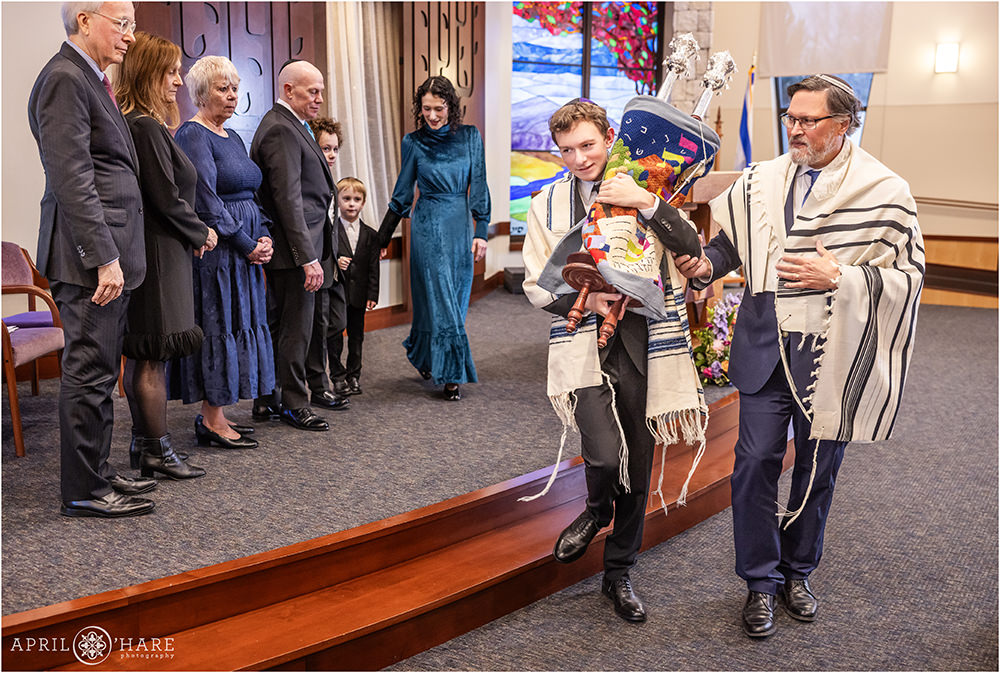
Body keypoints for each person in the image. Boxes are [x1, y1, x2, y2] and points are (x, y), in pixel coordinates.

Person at [673, 74, 924, 638]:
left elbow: (908, 276)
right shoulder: (762, 178)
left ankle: (797, 572)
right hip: (765, 343)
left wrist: (841, 275)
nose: (796, 128)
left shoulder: (884, 190)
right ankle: (759, 583)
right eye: (791, 116)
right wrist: (705, 267)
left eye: (809, 120)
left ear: (845, 124)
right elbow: (730, 243)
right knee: (755, 463)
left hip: (833, 351)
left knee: (819, 471)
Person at [522, 98, 705, 622]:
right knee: (604, 454)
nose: (579, 159)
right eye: (566, 151)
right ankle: (596, 510)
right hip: (583, 336)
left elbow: (690, 249)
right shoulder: (548, 204)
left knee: (638, 463)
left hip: (645, 338)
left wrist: (646, 202)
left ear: (608, 138)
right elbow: (537, 283)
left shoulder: (646, 183)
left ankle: (619, 573)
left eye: (587, 145)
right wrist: (590, 299)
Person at [28, 1, 155, 518]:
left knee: (102, 370)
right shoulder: (65, 77)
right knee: (86, 371)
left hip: (107, 253)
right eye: (121, 23)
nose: (129, 36)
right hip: (88, 258)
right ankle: (83, 489)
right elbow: (73, 178)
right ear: (86, 20)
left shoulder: (90, 78)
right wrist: (103, 257)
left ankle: (99, 473)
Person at [116, 32, 215, 479]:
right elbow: (165, 196)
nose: (178, 81)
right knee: (151, 357)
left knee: (145, 356)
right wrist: (202, 232)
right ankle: (157, 451)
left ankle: (146, 445)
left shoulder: (144, 122)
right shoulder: (144, 125)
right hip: (158, 256)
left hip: (160, 252)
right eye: (171, 72)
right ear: (148, 74)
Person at [173, 55, 275, 451]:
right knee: (220, 326)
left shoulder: (232, 137)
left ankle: (217, 410)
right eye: (223, 88)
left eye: (235, 88)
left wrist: (263, 234)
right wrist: (248, 244)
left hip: (246, 249)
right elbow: (207, 202)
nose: (232, 96)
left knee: (240, 323)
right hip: (220, 253)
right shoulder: (192, 135)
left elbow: (251, 191)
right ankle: (211, 420)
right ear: (200, 93)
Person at [377, 75, 490, 401]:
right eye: (426, 109)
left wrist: (481, 229)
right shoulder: (413, 142)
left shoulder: (470, 137)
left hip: (459, 227)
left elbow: (479, 183)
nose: (432, 115)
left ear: (450, 106)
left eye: (438, 108)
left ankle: (428, 357)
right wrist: (383, 237)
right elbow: (402, 194)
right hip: (427, 226)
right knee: (438, 296)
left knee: (451, 298)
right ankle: (452, 373)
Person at [251, 59, 345, 432]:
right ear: (288, 90)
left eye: (321, 90)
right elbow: (288, 198)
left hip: (299, 247)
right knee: (294, 329)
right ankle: (292, 403)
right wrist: (307, 257)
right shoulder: (280, 129)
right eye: (313, 91)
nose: (320, 98)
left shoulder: (293, 124)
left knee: (285, 326)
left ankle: (268, 397)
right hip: (294, 251)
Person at [306, 116, 350, 398]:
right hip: (316, 264)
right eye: (325, 149)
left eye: (335, 149)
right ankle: (319, 385)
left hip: (333, 268)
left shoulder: (331, 179)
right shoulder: (311, 180)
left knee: (337, 322)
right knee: (318, 329)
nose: (331, 154)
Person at [328, 177, 380, 395]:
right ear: (338, 202)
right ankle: (337, 377)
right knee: (335, 336)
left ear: (363, 203)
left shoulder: (370, 234)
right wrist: (336, 262)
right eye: (346, 198)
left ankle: (354, 375)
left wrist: (373, 294)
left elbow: (373, 267)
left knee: (357, 337)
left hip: (359, 296)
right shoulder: (330, 231)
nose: (351, 203)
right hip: (337, 294)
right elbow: (324, 258)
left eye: (356, 199)